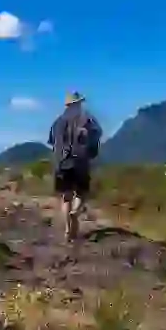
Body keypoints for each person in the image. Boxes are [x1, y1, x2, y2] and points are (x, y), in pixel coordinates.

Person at [47, 91, 103, 243]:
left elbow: (52, 142)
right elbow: (98, 133)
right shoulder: (87, 119)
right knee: (82, 193)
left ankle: (67, 230)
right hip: (80, 162)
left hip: (62, 163)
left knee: (66, 198)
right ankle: (75, 213)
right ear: (77, 104)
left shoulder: (57, 122)